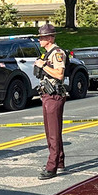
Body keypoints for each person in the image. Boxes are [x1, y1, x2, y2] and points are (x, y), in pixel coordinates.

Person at [34, 23, 67, 180]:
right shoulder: (47, 54)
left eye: (41, 37)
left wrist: (43, 66)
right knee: (51, 132)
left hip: (54, 96)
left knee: (53, 133)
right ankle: (59, 161)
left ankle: (51, 167)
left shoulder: (57, 53)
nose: (39, 40)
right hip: (47, 95)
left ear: (49, 38)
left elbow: (59, 75)